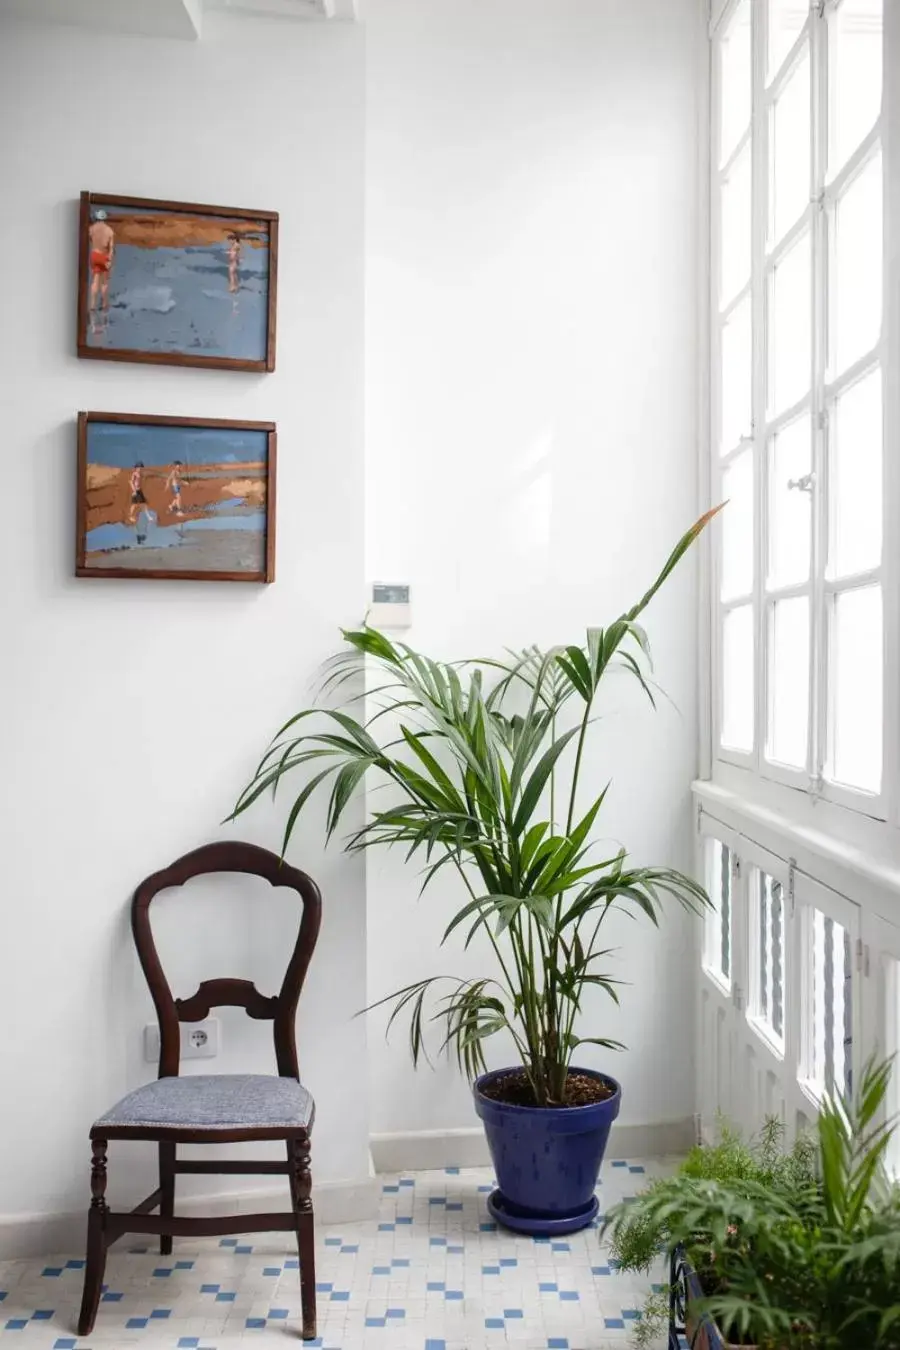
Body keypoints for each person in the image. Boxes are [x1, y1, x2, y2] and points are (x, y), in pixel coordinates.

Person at [88, 209, 115, 317]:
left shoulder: (91, 229)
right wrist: (109, 260)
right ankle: (104, 305)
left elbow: (90, 239)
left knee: (95, 281)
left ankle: (92, 306)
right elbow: (111, 248)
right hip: (104, 256)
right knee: (104, 282)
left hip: (94, 255)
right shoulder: (109, 231)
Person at [128, 462, 147, 533]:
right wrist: (134, 491)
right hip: (135, 490)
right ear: (136, 468)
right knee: (135, 504)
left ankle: (134, 516)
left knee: (137, 504)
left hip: (139, 490)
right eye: (139, 468)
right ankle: (130, 516)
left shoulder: (140, 474)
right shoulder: (134, 474)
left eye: (141, 468)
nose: (140, 469)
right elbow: (131, 482)